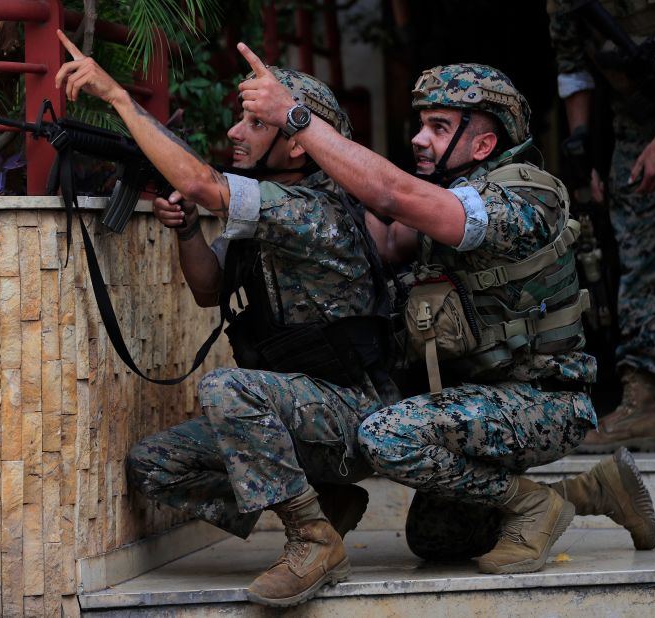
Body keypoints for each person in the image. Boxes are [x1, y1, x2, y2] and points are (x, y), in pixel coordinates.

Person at [237, 51, 655, 573]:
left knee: (387, 434)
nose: (418, 138)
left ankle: (533, 504)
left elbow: (392, 195)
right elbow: (383, 235)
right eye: (420, 124)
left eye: (438, 126)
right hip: (477, 397)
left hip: (545, 401)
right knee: (436, 538)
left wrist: (298, 120)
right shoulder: (448, 194)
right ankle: (595, 490)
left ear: (483, 143)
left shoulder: (523, 195)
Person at [52, 31, 398, 607]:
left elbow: (200, 182)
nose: (236, 133)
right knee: (154, 465)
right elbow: (211, 291)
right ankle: (322, 503)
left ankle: (311, 538)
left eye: (256, 125)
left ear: (298, 147)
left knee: (227, 389)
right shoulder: (267, 206)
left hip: (353, 413)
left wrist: (118, 97)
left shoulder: (311, 208)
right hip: (298, 413)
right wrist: (188, 230)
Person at [547, 0, 655, 453]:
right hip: (637, 121)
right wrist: (581, 149)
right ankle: (642, 405)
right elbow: (572, 66)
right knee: (638, 259)